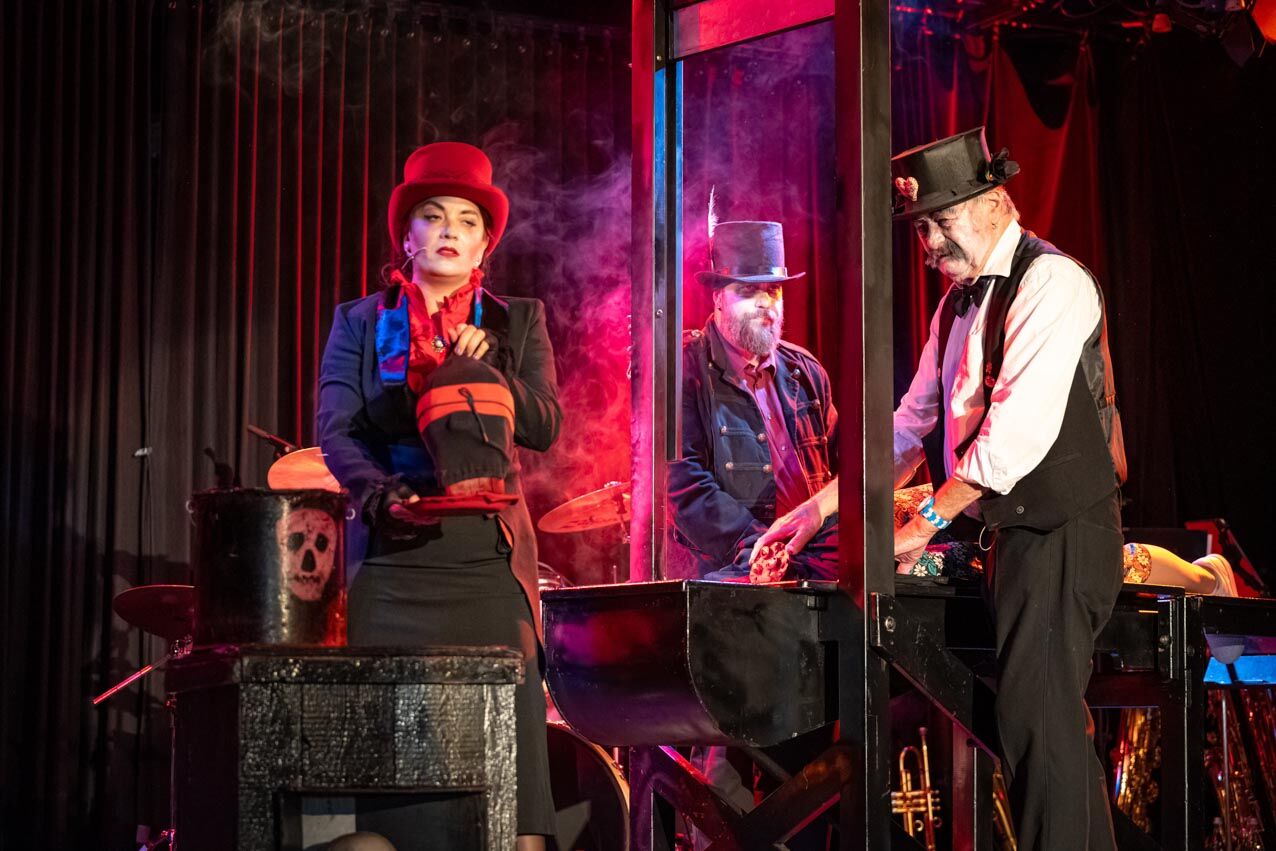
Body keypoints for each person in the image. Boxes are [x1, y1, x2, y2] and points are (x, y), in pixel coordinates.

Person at [885, 126, 1128, 851]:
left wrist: (922, 522)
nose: (930, 244)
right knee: (1039, 730)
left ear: (995, 202)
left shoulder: (1054, 281)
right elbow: (909, 425)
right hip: (1007, 541)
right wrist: (816, 511)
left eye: (942, 220)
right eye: (922, 228)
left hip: (1061, 532)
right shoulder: (954, 308)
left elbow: (1010, 441)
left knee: (1037, 723)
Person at [317, 141, 562, 849]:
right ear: (407, 235)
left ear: (485, 242)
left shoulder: (517, 320)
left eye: (467, 219)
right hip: (392, 564)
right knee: (393, 783)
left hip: (486, 564)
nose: (450, 230)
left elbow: (545, 425)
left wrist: (495, 374)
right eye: (433, 215)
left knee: (515, 786)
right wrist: (378, 492)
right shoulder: (360, 321)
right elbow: (335, 431)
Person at [668, 219, 839, 582]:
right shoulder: (684, 372)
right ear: (717, 297)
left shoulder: (807, 371)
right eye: (747, 291)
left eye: (773, 290)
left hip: (813, 561)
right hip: (731, 568)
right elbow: (685, 488)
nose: (765, 303)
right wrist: (762, 548)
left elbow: (845, 470)